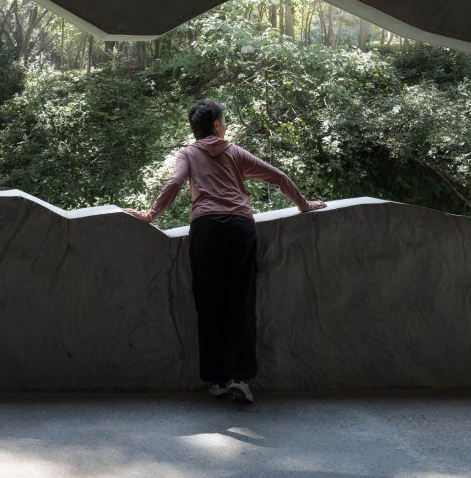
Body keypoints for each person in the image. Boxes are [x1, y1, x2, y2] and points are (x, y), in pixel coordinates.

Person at [125, 99, 325, 404]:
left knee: (208, 303)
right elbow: (279, 177)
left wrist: (151, 215)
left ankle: (216, 379)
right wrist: (304, 205)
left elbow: (175, 182)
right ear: (217, 125)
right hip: (240, 229)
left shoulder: (188, 153)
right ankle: (241, 380)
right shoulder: (235, 152)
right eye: (224, 120)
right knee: (241, 301)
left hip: (207, 230)